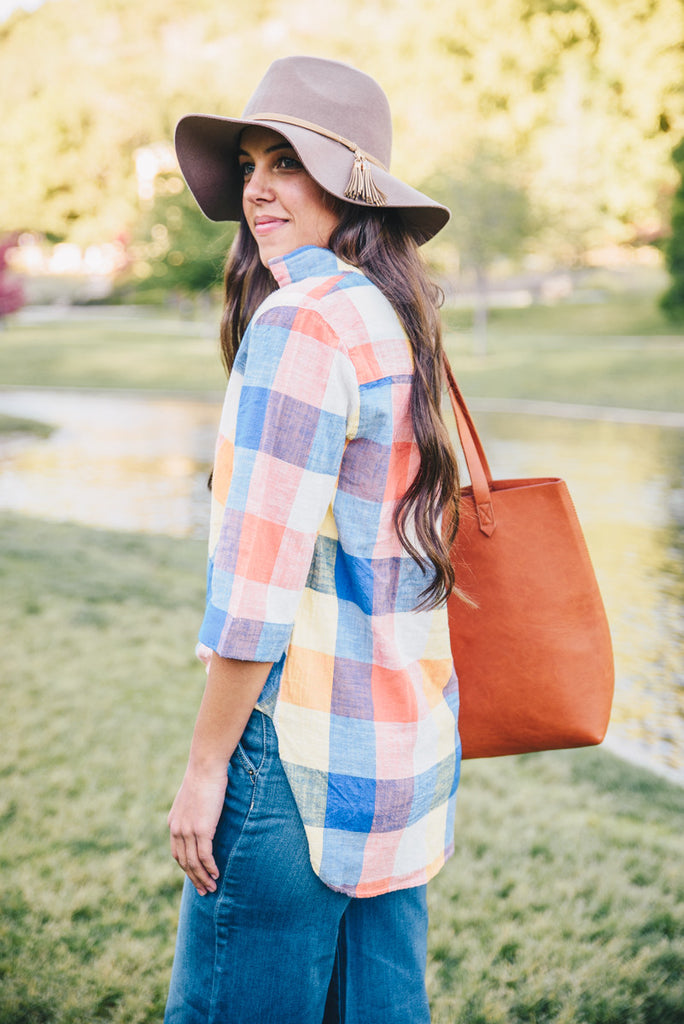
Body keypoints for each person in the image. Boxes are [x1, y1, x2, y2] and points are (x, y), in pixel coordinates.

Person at [165, 55, 462, 1024]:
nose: (258, 186)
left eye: (288, 160)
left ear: (352, 186)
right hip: (399, 748)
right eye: (252, 159)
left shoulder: (304, 322)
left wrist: (208, 765)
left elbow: (258, 586)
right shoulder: (393, 318)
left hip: (293, 755)